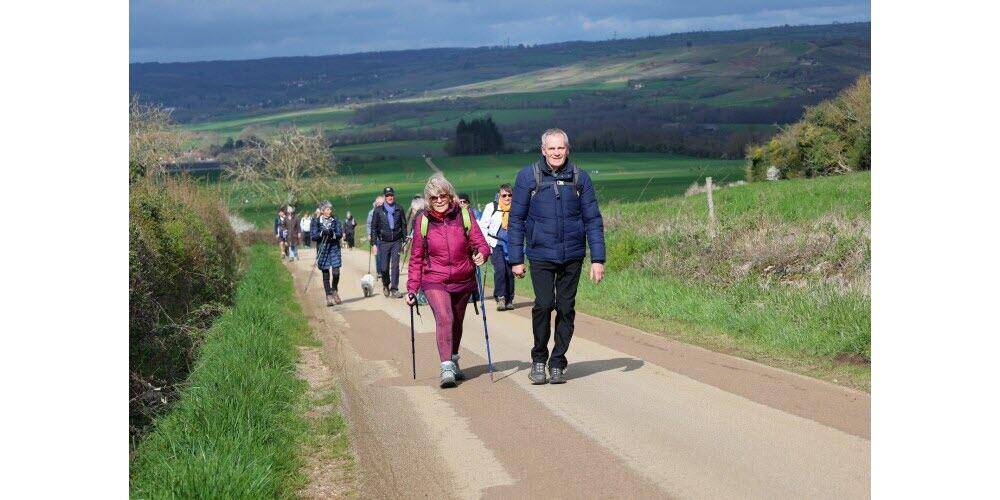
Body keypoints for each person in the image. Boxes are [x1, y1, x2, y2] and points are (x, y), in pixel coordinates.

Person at [508, 128, 606, 385]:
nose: (556, 153)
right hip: (540, 254)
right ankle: (538, 359)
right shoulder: (527, 177)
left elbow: (593, 220)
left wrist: (598, 259)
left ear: (568, 149)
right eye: (551, 148)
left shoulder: (580, 178)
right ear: (543, 150)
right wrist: (516, 259)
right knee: (543, 305)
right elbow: (516, 220)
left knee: (565, 308)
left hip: (572, 255)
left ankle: (557, 362)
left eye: (560, 148)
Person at [406, 174, 489, 388]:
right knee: (445, 316)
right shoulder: (423, 220)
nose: (439, 201)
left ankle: (453, 358)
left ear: (449, 195)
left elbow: (480, 242)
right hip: (434, 279)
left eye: (443, 196)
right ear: (429, 200)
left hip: (463, 278)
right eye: (434, 198)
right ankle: (446, 368)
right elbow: (416, 257)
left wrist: (482, 253)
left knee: (457, 322)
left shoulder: (465, 214)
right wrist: (412, 288)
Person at [478, 184, 516, 311]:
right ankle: (500, 298)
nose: (507, 198)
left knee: (510, 272)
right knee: (500, 270)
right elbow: (483, 226)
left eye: (510, 195)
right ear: (499, 195)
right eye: (504, 195)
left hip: (512, 244)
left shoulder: (516, 207)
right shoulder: (492, 207)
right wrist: (487, 244)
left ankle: (510, 299)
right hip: (496, 244)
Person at [370, 187, 407, 298]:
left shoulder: (399, 208)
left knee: (395, 266)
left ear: (393, 196)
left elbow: (404, 225)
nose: (390, 197)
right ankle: (386, 284)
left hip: (396, 241)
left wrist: (404, 241)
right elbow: (373, 228)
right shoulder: (378, 210)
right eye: (387, 195)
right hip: (383, 242)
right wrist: (374, 244)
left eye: (391, 195)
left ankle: (394, 289)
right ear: (384, 197)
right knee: (384, 268)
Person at [311, 201, 344, 306]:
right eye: (327, 209)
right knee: (325, 273)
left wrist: (332, 234)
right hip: (323, 248)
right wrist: (322, 233)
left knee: (336, 272)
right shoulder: (316, 221)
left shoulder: (335, 220)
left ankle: (334, 290)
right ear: (322, 211)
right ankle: (328, 295)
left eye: (330, 209)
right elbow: (313, 236)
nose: (329, 211)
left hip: (334, 248)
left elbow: (339, 234)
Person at [367, 195, 385, 274]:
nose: (381, 205)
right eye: (379, 203)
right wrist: (369, 234)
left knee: (384, 254)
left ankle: (384, 270)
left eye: (382, 203)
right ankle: (379, 271)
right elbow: (369, 225)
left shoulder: (386, 211)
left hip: (385, 236)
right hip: (376, 236)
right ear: (376, 203)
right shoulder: (371, 213)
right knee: (377, 254)